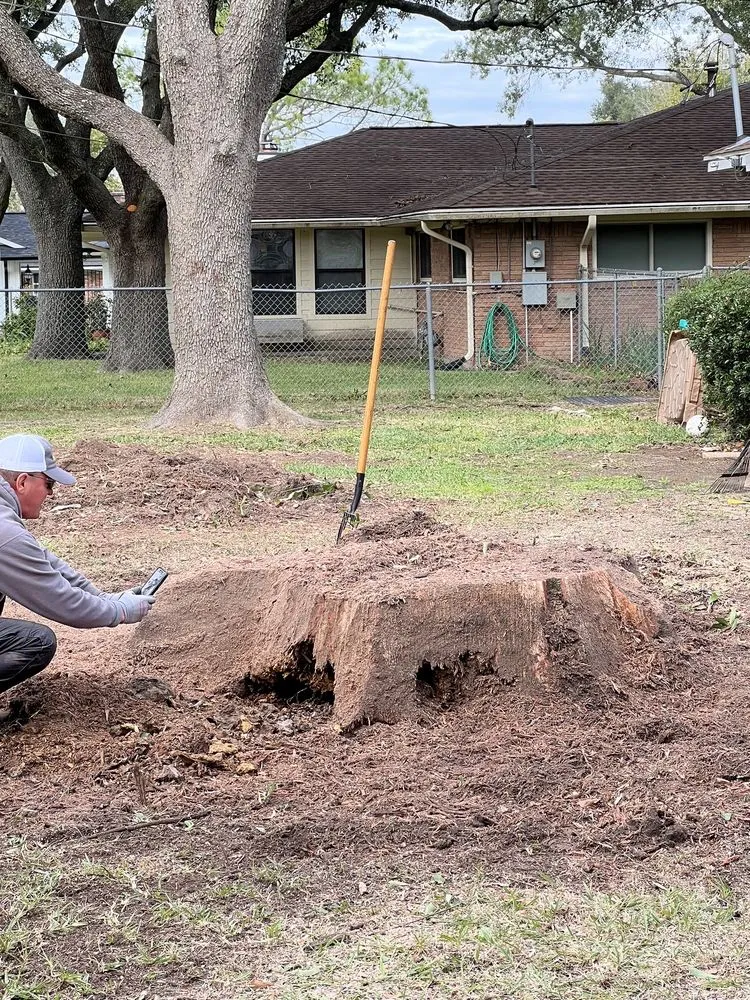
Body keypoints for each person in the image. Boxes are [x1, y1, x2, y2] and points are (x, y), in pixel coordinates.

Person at [0, 433, 155, 703]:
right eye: (48, 483)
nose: (50, 493)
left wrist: (106, 598)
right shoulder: (5, 533)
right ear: (23, 481)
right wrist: (120, 611)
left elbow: (47, 563)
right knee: (35, 643)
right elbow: (60, 601)